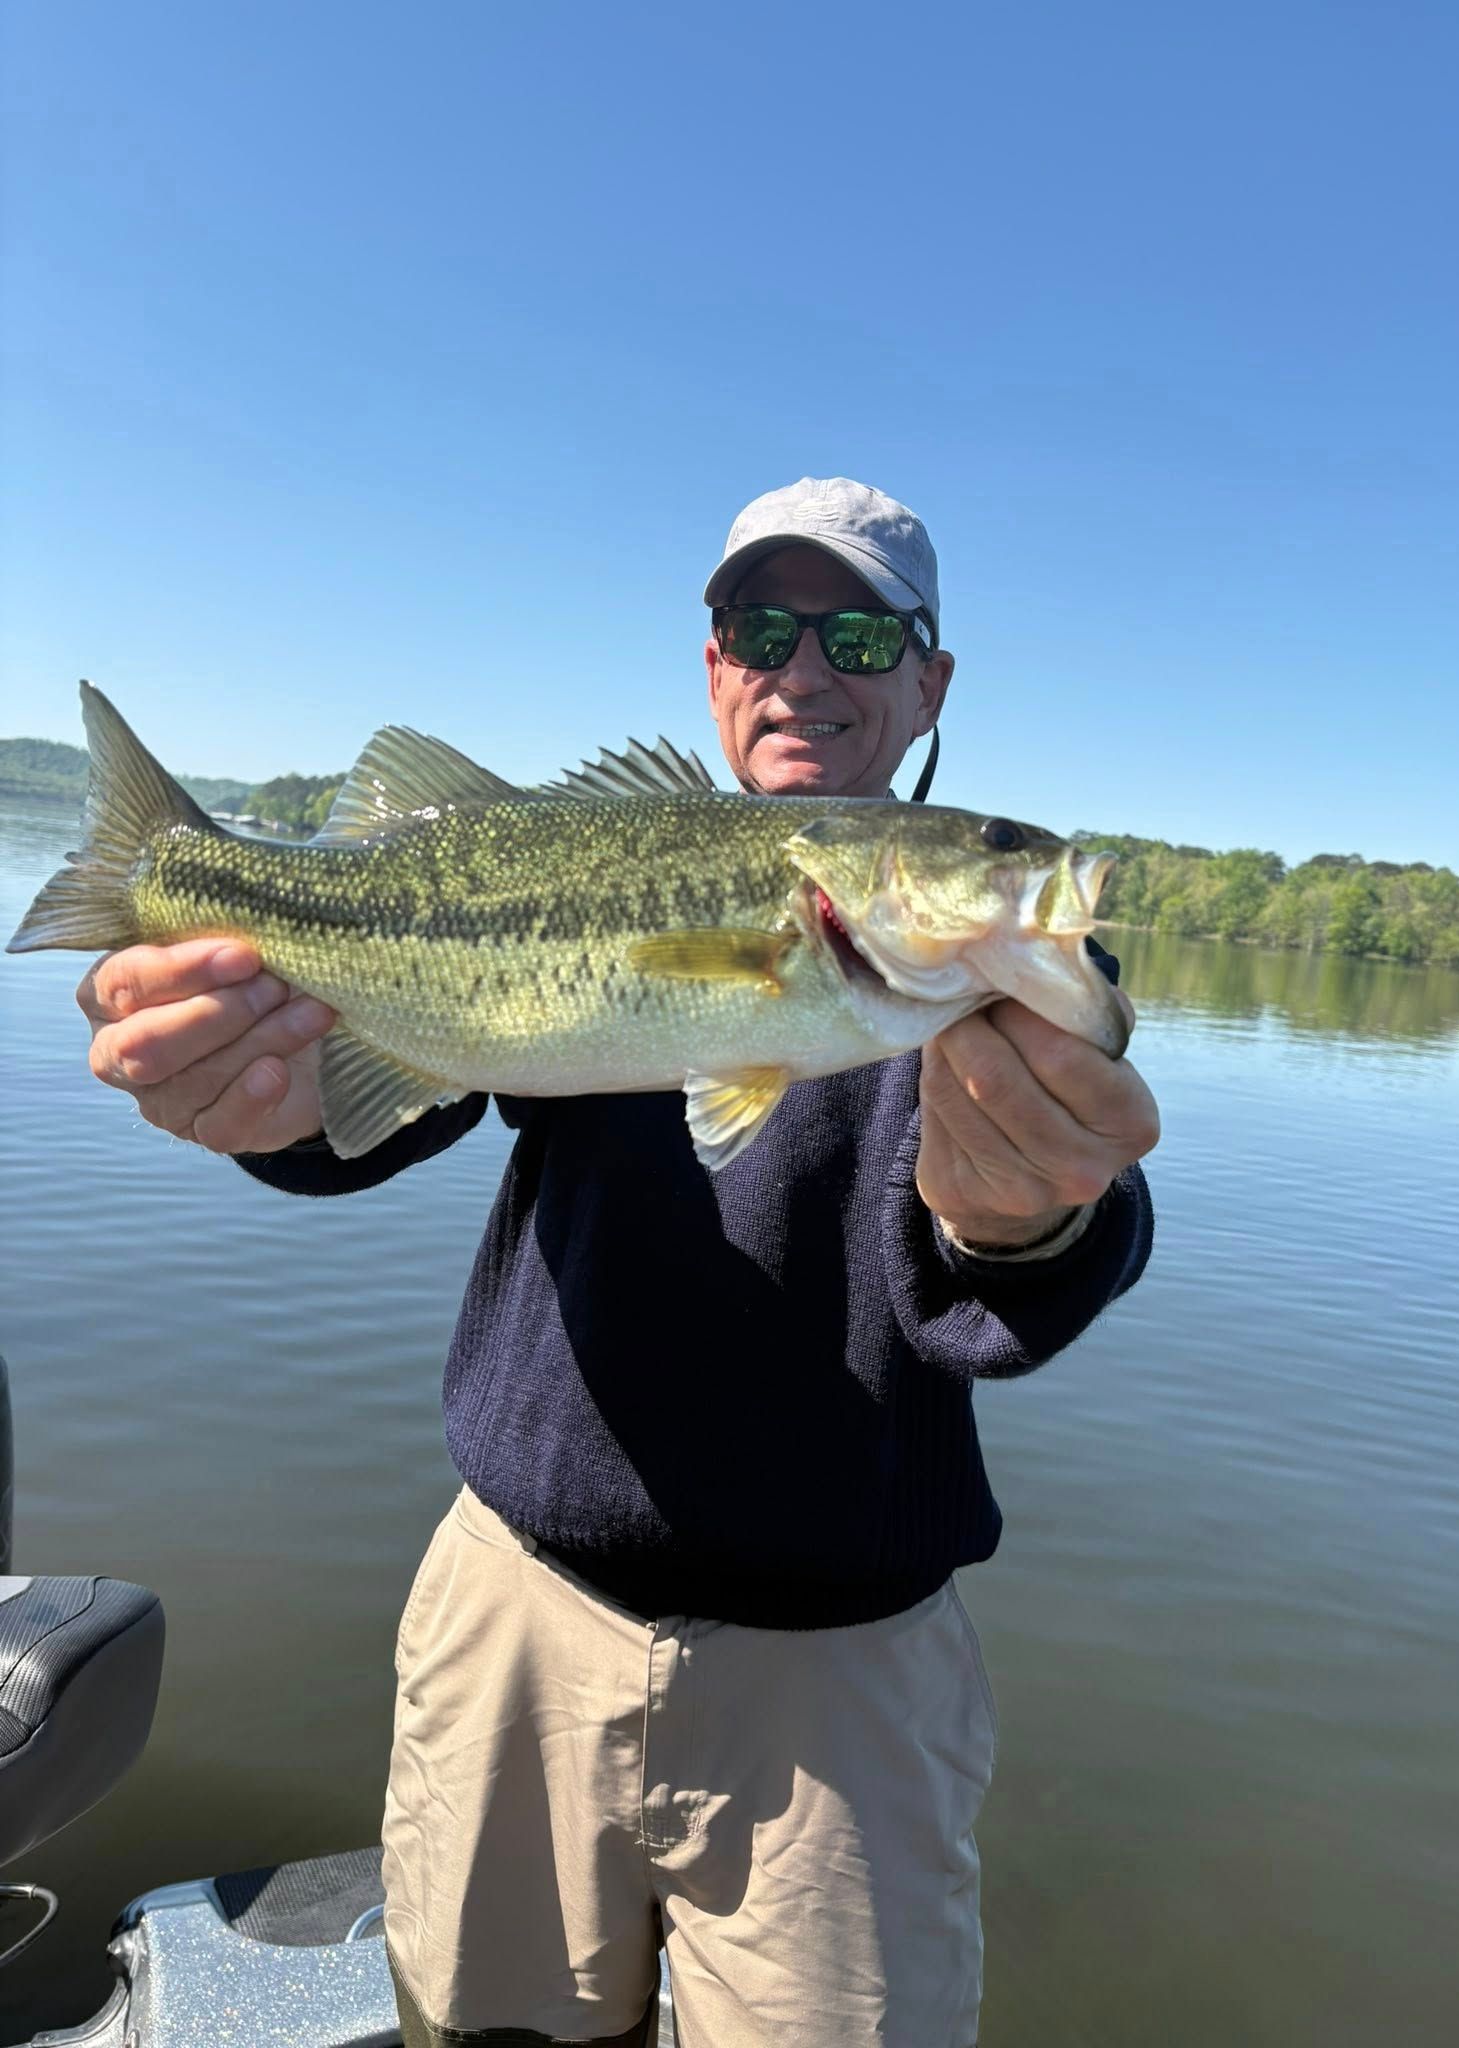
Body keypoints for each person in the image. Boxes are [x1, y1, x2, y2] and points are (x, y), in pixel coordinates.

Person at [76, 478, 1159, 2048]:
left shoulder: (1014, 972)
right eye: (758, 627)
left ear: (930, 683)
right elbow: (372, 1117)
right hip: (514, 1618)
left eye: (860, 632)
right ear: (714, 665)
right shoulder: (592, 853)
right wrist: (262, 1095)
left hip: (843, 1692)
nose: (804, 666)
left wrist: (1032, 1216)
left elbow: (1076, 1224)